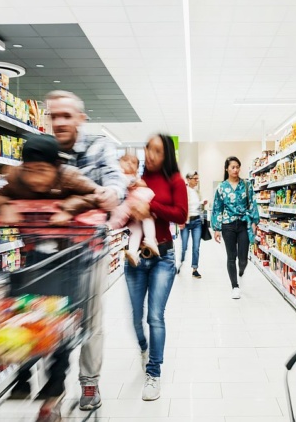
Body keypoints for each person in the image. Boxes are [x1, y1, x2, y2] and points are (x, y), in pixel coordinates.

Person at [16, 90, 125, 418]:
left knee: (90, 322)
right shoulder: (42, 152)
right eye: (54, 116)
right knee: (50, 321)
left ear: (81, 118)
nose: (60, 122)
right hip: (48, 255)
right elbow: (18, 183)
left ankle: (89, 383)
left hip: (89, 252)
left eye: (67, 116)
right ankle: (55, 396)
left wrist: (109, 193)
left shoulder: (98, 147)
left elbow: (115, 183)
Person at [125, 134, 187, 402]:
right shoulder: (135, 179)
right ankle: (143, 348)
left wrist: (150, 206)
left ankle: (154, 373)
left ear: (167, 155)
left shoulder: (175, 181)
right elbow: (122, 214)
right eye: (148, 148)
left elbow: (181, 214)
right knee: (136, 317)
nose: (150, 154)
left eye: (157, 150)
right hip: (136, 257)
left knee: (155, 316)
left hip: (163, 255)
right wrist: (131, 209)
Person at [0, 134, 107, 224]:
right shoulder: (17, 178)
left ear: (57, 166)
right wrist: (4, 206)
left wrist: (69, 210)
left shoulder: (70, 177)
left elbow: (97, 195)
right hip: (34, 237)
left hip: (73, 236)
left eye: (42, 170)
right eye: (28, 170)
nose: (34, 179)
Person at [211, 157, 259, 299]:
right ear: (227, 169)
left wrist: (254, 221)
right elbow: (217, 208)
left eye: (237, 167)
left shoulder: (246, 184)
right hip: (228, 225)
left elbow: (252, 203)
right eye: (232, 167)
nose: (236, 170)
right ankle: (235, 286)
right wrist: (217, 228)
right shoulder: (221, 187)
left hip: (243, 223)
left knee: (243, 258)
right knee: (231, 256)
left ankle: (241, 269)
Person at [107, 154, 159, 266]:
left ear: (137, 168)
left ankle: (133, 251)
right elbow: (126, 183)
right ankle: (150, 239)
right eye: (126, 160)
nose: (129, 163)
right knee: (146, 217)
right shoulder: (118, 174)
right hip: (123, 207)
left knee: (137, 228)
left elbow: (142, 183)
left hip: (133, 207)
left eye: (134, 162)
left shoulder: (135, 177)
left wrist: (137, 181)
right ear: (119, 163)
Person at [178, 172, 206, 278]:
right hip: (185, 222)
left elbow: (197, 205)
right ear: (188, 179)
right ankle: (180, 262)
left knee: (196, 247)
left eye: (198, 178)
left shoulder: (197, 192)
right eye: (195, 178)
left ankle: (195, 269)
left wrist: (202, 203)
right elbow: (181, 205)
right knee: (184, 246)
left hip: (197, 222)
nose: (197, 180)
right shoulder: (183, 191)